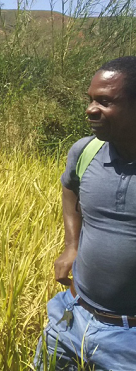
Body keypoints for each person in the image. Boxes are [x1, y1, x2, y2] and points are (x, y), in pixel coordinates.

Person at [34, 56, 136, 370]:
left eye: (104, 101)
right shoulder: (85, 151)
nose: (91, 109)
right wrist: (71, 245)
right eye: (90, 99)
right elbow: (70, 189)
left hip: (128, 340)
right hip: (71, 316)